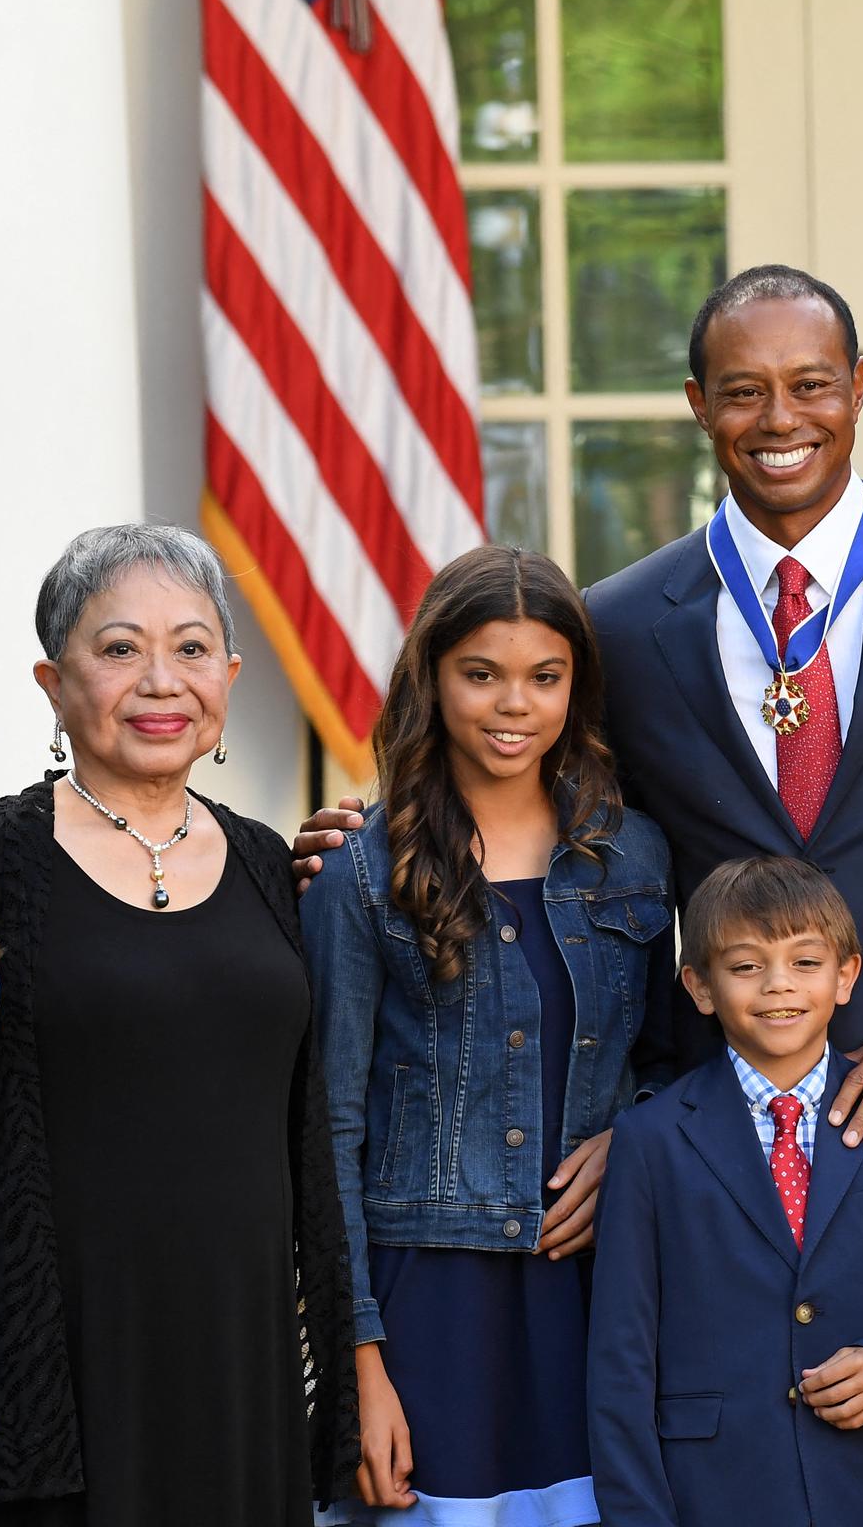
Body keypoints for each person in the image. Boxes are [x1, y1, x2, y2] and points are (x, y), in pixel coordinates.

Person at [297, 264, 863, 1524]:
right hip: (714, 1190)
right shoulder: (620, 625)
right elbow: (545, 812)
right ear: (697, 405)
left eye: (812, 385)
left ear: (860, 389)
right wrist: (371, 828)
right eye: (745, 391)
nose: (782, 418)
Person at [0, 525, 355, 1524]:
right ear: (53, 681)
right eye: (120, 648)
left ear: (229, 672)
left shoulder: (274, 863)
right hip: (71, 1350)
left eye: (190, 648)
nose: (161, 681)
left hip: (244, 1344)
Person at [303, 546, 675, 1523]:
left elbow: (680, 1066)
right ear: (430, 678)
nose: (515, 705)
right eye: (482, 674)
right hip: (428, 1301)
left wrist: (628, 1141)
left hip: (596, 1293)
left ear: (576, 690)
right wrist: (359, 1370)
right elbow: (331, 1128)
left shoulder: (632, 857)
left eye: (544, 677)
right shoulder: (360, 874)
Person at [588, 855, 863, 1527]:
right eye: (747, 966)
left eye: (805, 962)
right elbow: (621, 1358)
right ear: (699, 986)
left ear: (847, 976)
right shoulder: (651, 1139)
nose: (777, 986)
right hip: (713, 1495)